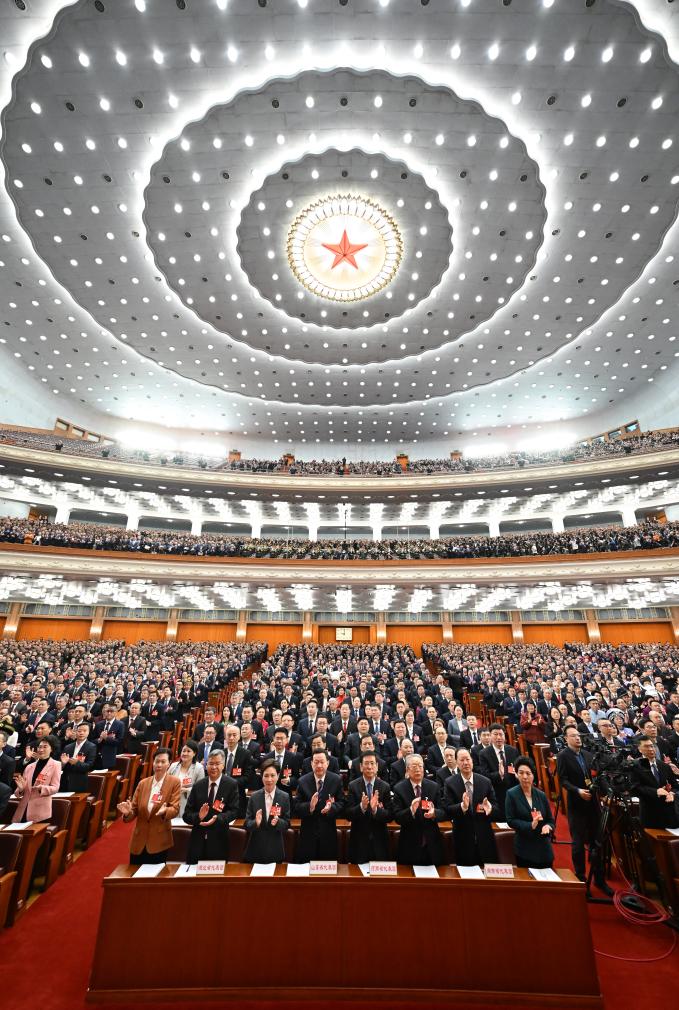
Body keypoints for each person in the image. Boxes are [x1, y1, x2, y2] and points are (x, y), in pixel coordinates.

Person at [556, 726, 613, 895]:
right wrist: (578, 791)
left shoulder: (588, 755)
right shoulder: (563, 756)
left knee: (597, 842)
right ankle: (581, 878)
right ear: (566, 738)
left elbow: (598, 776)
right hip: (577, 803)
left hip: (593, 803)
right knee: (578, 843)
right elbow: (563, 780)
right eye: (573, 736)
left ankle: (599, 879)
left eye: (578, 735)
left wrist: (607, 792)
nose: (577, 738)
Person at [117, 748, 180, 865]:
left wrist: (165, 811)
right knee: (134, 874)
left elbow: (175, 809)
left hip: (159, 841)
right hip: (139, 840)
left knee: (155, 875)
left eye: (163, 761)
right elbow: (134, 810)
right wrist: (127, 813)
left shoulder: (174, 782)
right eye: (157, 761)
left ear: (169, 763)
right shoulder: (143, 783)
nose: (159, 765)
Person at [444, 748, 498, 866]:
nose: (465, 763)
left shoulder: (485, 782)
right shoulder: (450, 783)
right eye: (462, 760)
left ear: (472, 761)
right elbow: (447, 809)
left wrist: (490, 809)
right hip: (463, 838)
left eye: (467, 759)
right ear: (457, 762)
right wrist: (462, 807)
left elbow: (496, 808)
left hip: (484, 837)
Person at [183, 750, 239, 863]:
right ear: (206, 765)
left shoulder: (231, 784)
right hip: (197, 842)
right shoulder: (198, 786)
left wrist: (218, 818)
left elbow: (234, 811)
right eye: (211, 763)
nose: (213, 767)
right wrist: (199, 816)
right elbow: (186, 815)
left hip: (219, 841)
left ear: (223, 765)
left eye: (217, 764)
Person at [392, 754, 445, 865]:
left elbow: (443, 812)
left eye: (420, 766)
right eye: (414, 766)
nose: (418, 769)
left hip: (432, 845)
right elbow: (397, 817)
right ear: (407, 769)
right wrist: (410, 810)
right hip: (409, 845)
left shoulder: (434, 787)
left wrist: (434, 813)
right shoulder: (399, 788)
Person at [294, 750, 344, 862]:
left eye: (322, 762)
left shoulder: (336, 780)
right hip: (308, 834)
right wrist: (310, 806)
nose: (319, 765)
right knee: (307, 868)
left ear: (328, 763)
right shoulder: (303, 781)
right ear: (311, 764)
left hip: (328, 833)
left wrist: (331, 808)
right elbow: (296, 806)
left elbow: (342, 803)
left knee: (327, 869)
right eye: (316, 762)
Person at [505, 756, 555, 868]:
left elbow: (550, 820)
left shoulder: (541, 795)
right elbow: (510, 820)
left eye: (528, 773)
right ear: (516, 774)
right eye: (521, 773)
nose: (524, 777)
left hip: (544, 849)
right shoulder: (511, 794)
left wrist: (548, 826)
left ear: (533, 775)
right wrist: (530, 825)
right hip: (524, 849)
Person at [346, 752, 393, 863]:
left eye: (372, 763)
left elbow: (390, 816)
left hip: (380, 841)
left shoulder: (385, 787)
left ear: (377, 766)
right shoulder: (353, 786)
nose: (369, 767)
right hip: (359, 842)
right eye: (366, 763)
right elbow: (348, 814)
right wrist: (361, 807)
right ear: (361, 767)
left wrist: (376, 810)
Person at [243, 759, 291, 863]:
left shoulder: (284, 797)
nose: (269, 779)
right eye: (266, 776)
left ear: (278, 776)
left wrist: (278, 822)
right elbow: (246, 824)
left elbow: (287, 824)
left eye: (272, 775)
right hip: (255, 850)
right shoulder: (254, 797)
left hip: (276, 850)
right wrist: (256, 823)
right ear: (261, 777)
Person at [632, 737, 679, 829]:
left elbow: (675, 786)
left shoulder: (664, 766)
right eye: (646, 746)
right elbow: (634, 788)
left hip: (669, 814)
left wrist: (672, 794)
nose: (651, 749)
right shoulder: (635, 766)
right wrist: (655, 791)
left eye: (652, 746)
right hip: (650, 815)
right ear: (639, 749)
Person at [12, 736, 62, 822]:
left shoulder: (56, 764)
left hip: (41, 811)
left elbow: (55, 788)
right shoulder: (29, 766)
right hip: (24, 808)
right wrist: (21, 789)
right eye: (39, 747)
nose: (41, 749)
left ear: (52, 749)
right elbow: (19, 793)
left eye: (45, 747)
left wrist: (41, 788)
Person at [479, 724, 519, 817]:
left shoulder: (513, 751)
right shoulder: (484, 753)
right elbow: (484, 776)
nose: (498, 737)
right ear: (490, 736)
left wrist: (518, 776)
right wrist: (499, 774)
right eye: (495, 734)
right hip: (496, 793)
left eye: (501, 734)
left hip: (513, 791)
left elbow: (517, 769)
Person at [168, 741, 205, 815]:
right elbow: (166, 783)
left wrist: (186, 790)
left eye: (188, 751)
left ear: (194, 753)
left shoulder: (199, 768)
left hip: (189, 804)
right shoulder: (173, 766)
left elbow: (201, 789)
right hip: (172, 802)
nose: (185, 753)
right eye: (183, 751)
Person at [60, 722, 97, 792]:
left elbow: (89, 766)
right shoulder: (68, 747)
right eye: (79, 731)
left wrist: (76, 763)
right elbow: (61, 766)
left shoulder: (91, 747)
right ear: (75, 732)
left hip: (80, 782)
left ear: (88, 733)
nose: (81, 733)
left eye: (84, 731)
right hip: (65, 781)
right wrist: (63, 763)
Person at [93, 703, 124, 769]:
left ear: (116, 713)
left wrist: (106, 738)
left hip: (111, 757)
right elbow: (92, 740)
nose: (109, 713)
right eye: (107, 711)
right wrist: (99, 739)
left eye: (111, 711)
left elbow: (119, 741)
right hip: (97, 756)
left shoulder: (120, 724)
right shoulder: (99, 724)